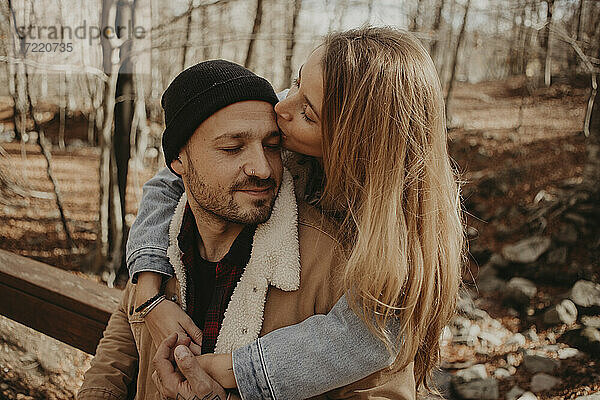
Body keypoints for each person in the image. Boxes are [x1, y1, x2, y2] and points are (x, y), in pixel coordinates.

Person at [125, 27, 463, 399]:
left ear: (353, 143)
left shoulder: (384, 243)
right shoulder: (287, 119)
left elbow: (367, 338)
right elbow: (169, 182)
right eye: (296, 82)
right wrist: (148, 286)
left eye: (308, 112)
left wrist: (236, 369)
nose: (280, 106)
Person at [78, 58, 416, 400]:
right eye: (232, 148)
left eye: (272, 146)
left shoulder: (343, 262)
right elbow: (120, 348)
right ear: (178, 161)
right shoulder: (161, 243)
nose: (263, 169)